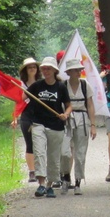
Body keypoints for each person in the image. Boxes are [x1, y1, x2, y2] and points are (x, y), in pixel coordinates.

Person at [24, 56, 72, 198]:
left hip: (56, 126)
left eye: (48, 68)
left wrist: (66, 114)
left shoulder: (61, 87)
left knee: (53, 156)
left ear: (54, 70)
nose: (46, 71)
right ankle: (41, 184)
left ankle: (50, 185)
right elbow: (21, 97)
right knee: (39, 152)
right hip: (38, 123)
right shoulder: (37, 86)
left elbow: (69, 106)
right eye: (44, 68)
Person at [60, 59, 97, 195]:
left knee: (80, 153)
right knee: (64, 152)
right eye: (74, 70)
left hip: (82, 119)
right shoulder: (63, 85)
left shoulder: (84, 85)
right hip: (67, 120)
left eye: (78, 70)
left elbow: (90, 105)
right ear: (69, 72)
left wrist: (93, 125)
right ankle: (65, 176)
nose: (77, 72)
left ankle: (78, 182)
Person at [12, 57, 42, 183]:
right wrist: (14, 117)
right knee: (30, 143)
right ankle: (32, 171)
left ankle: (41, 169)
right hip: (26, 115)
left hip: (40, 115)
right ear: (25, 70)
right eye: (29, 67)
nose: (32, 69)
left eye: (34, 67)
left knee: (40, 144)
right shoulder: (20, 85)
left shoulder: (42, 83)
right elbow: (18, 101)